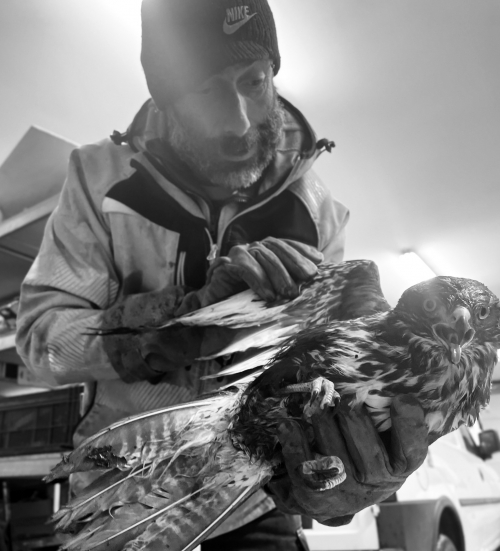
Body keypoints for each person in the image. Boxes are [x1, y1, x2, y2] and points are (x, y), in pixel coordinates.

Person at [16, 0, 429, 549]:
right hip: (122, 490)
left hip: (253, 501)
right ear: (166, 101)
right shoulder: (98, 179)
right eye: (206, 91)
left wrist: (346, 474)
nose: (238, 122)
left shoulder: (320, 214)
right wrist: (184, 322)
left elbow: (332, 377)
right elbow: (40, 345)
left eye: (254, 80)